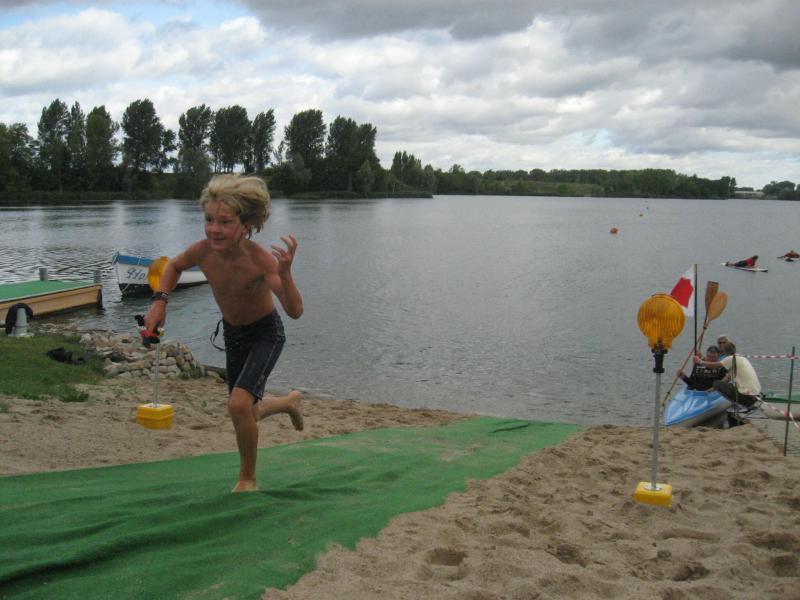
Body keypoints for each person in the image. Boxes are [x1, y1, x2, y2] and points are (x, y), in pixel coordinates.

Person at [144, 174, 304, 493]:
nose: (214, 229)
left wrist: (285, 275)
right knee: (245, 408)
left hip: (265, 334)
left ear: (245, 225)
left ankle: (247, 478)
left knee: (238, 405)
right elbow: (173, 267)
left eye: (225, 222)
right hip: (233, 334)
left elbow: (295, 310)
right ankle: (288, 403)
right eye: (209, 220)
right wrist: (160, 302)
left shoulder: (259, 261)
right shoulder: (203, 252)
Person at [695, 341, 762, 408]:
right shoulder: (741, 358)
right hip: (756, 392)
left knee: (716, 383)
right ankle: (748, 403)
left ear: (725, 352)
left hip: (748, 393)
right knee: (721, 384)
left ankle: (745, 404)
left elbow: (715, 366)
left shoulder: (731, 358)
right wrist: (712, 389)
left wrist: (700, 361)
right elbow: (728, 377)